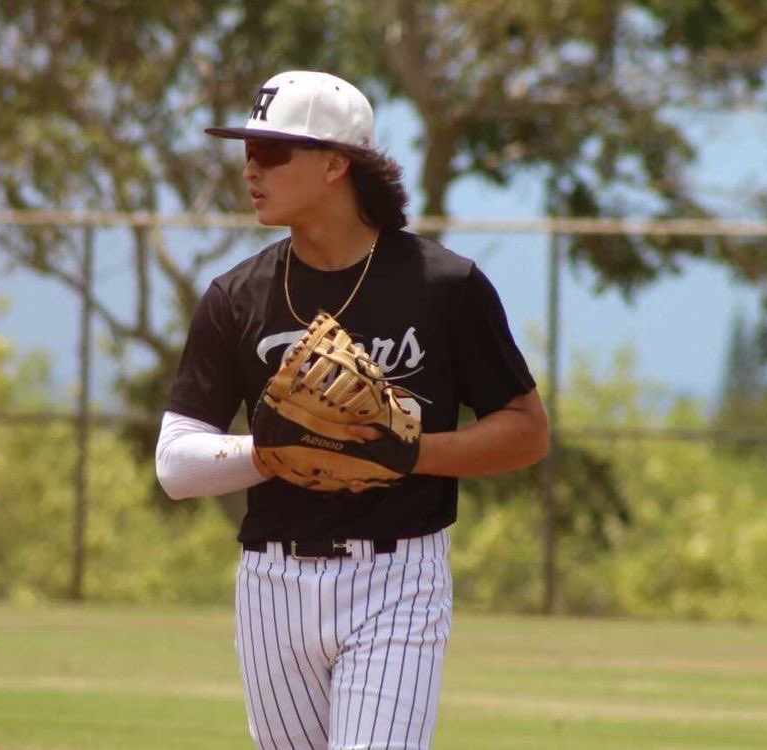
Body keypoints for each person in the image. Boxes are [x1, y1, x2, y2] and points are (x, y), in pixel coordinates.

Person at [155, 70, 549, 750]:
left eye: (273, 151)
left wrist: (411, 451)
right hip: (271, 582)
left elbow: (525, 431)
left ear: (336, 163)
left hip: (397, 576)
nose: (251, 167)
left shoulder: (444, 286)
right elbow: (174, 465)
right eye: (247, 149)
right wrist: (266, 450)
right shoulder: (236, 296)